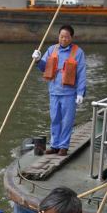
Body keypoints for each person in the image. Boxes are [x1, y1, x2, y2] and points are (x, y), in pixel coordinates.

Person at [33, 25, 87, 156]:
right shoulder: (52, 49)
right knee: (55, 119)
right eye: (61, 36)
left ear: (71, 38)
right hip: (54, 91)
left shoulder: (78, 52)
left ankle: (64, 146)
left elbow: (81, 73)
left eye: (66, 37)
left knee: (67, 120)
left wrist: (81, 93)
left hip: (69, 93)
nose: (63, 39)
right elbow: (44, 67)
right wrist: (38, 59)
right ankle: (54, 145)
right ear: (58, 37)